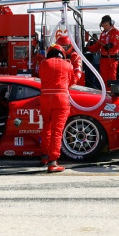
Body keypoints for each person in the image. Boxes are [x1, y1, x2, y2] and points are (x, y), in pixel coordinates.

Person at [39, 44, 75, 173]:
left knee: (46, 128)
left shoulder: (43, 64)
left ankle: (44, 156)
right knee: (57, 131)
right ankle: (53, 162)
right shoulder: (67, 65)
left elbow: (41, 78)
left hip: (45, 98)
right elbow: (72, 81)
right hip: (60, 98)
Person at [86, 15, 119, 88]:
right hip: (103, 60)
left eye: (106, 25)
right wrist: (88, 48)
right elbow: (98, 45)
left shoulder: (115, 32)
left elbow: (115, 42)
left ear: (111, 24)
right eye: (103, 26)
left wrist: (110, 45)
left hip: (111, 59)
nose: (105, 27)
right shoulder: (103, 34)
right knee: (103, 78)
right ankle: (105, 93)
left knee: (111, 78)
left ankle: (111, 93)